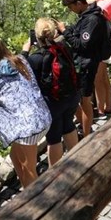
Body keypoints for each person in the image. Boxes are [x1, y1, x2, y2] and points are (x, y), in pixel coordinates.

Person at [0, 39, 51, 188]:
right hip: (42, 116)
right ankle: (27, 191)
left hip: (28, 128)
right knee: (14, 156)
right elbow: (3, 71)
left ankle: (37, 199)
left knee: (29, 167)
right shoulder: (19, 60)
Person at [22, 18, 79, 166]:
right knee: (69, 126)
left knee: (54, 138)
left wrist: (24, 51)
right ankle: (79, 163)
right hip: (71, 97)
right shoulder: (63, 47)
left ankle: (55, 177)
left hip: (52, 103)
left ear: (36, 36)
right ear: (54, 33)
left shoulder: (35, 59)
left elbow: (20, 75)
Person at [57, 0, 111, 138]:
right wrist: (66, 30)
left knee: (85, 101)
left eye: (71, 7)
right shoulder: (86, 16)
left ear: (79, 3)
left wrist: (65, 32)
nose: (70, 10)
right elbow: (79, 32)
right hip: (82, 64)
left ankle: (87, 136)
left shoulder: (92, 19)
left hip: (87, 66)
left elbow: (82, 45)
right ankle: (85, 129)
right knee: (79, 99)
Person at [93, 0, 111, 117]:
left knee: (98, 78)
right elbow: (86, 2)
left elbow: (90, 10)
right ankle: (107, 106)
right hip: (102, 43)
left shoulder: (108, 2)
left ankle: (100, 109)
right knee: (104, 76)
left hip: (100, 44)